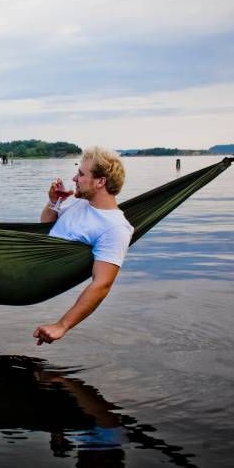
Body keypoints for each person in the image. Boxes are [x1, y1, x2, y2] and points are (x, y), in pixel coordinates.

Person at [33, 147, 134, 345]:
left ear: (100, 182)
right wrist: (54, 201)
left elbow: (102, 284)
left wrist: (62, 325)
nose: (74, 178)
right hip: (28, 256)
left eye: (80, 174)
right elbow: (46, 225)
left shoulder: (115, 228)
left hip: (33, 274)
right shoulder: (80, 204)